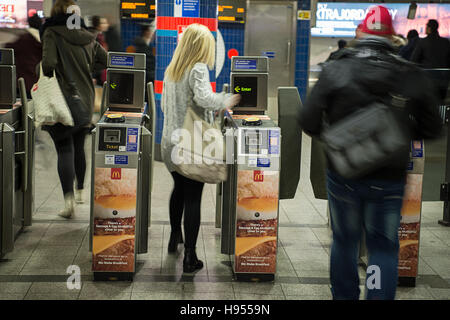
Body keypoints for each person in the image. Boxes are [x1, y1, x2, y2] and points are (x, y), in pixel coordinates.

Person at [300, 6, 442, 300]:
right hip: (389, 177)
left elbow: (307, 120)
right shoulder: (408, 72)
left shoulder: (337, 66)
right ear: (391, 36)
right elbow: (432, 128)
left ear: (361, 31)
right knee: (383, 245)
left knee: (345, 240)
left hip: (344, 173)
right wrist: (399, 135)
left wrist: (337, 135)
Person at [161, 23, 240, 273]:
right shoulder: (197, 68)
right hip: (190, 143)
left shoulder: (172, 69)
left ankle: (175, 237)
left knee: (179, 190)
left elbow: (165, 106)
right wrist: (228, 100)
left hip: (169, 142)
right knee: (193, 197)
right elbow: (205, 98)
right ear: (201, 45)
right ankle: (190, 258)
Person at [41, 0, 107, 218]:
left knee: (64, 149)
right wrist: (88, 69)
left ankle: (68, 201)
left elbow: (48, 64)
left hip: (62, 99)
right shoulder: (88, 36)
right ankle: (80, 192)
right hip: (85, 100)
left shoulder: (52, 32)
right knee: (79, 146)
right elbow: (104, 60)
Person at [411, 19, 450, 102]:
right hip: (443, 82)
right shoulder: (446, 42)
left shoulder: (423, 42)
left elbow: (413, 60)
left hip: (426, 81)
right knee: (440, 103)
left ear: (429, 28)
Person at [5, 14, 43, 98]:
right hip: (37, 82)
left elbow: (8, 48)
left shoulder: (24, 39)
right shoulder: (43, 40)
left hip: (23, 82)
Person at [134, 22, 156, 95]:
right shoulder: (143, 48)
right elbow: (148, 66)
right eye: (152, 32)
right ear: (147, 33)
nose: (153, 35)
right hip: (146, 80)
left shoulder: (143, 46)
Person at [89, 15, 109, 85]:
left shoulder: (102, 36)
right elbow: (92, 57)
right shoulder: (94, 37)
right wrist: (92, 76)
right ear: (97, 25)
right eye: (103, 23)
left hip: (102, 73)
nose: (106, 25)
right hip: (97, 75)